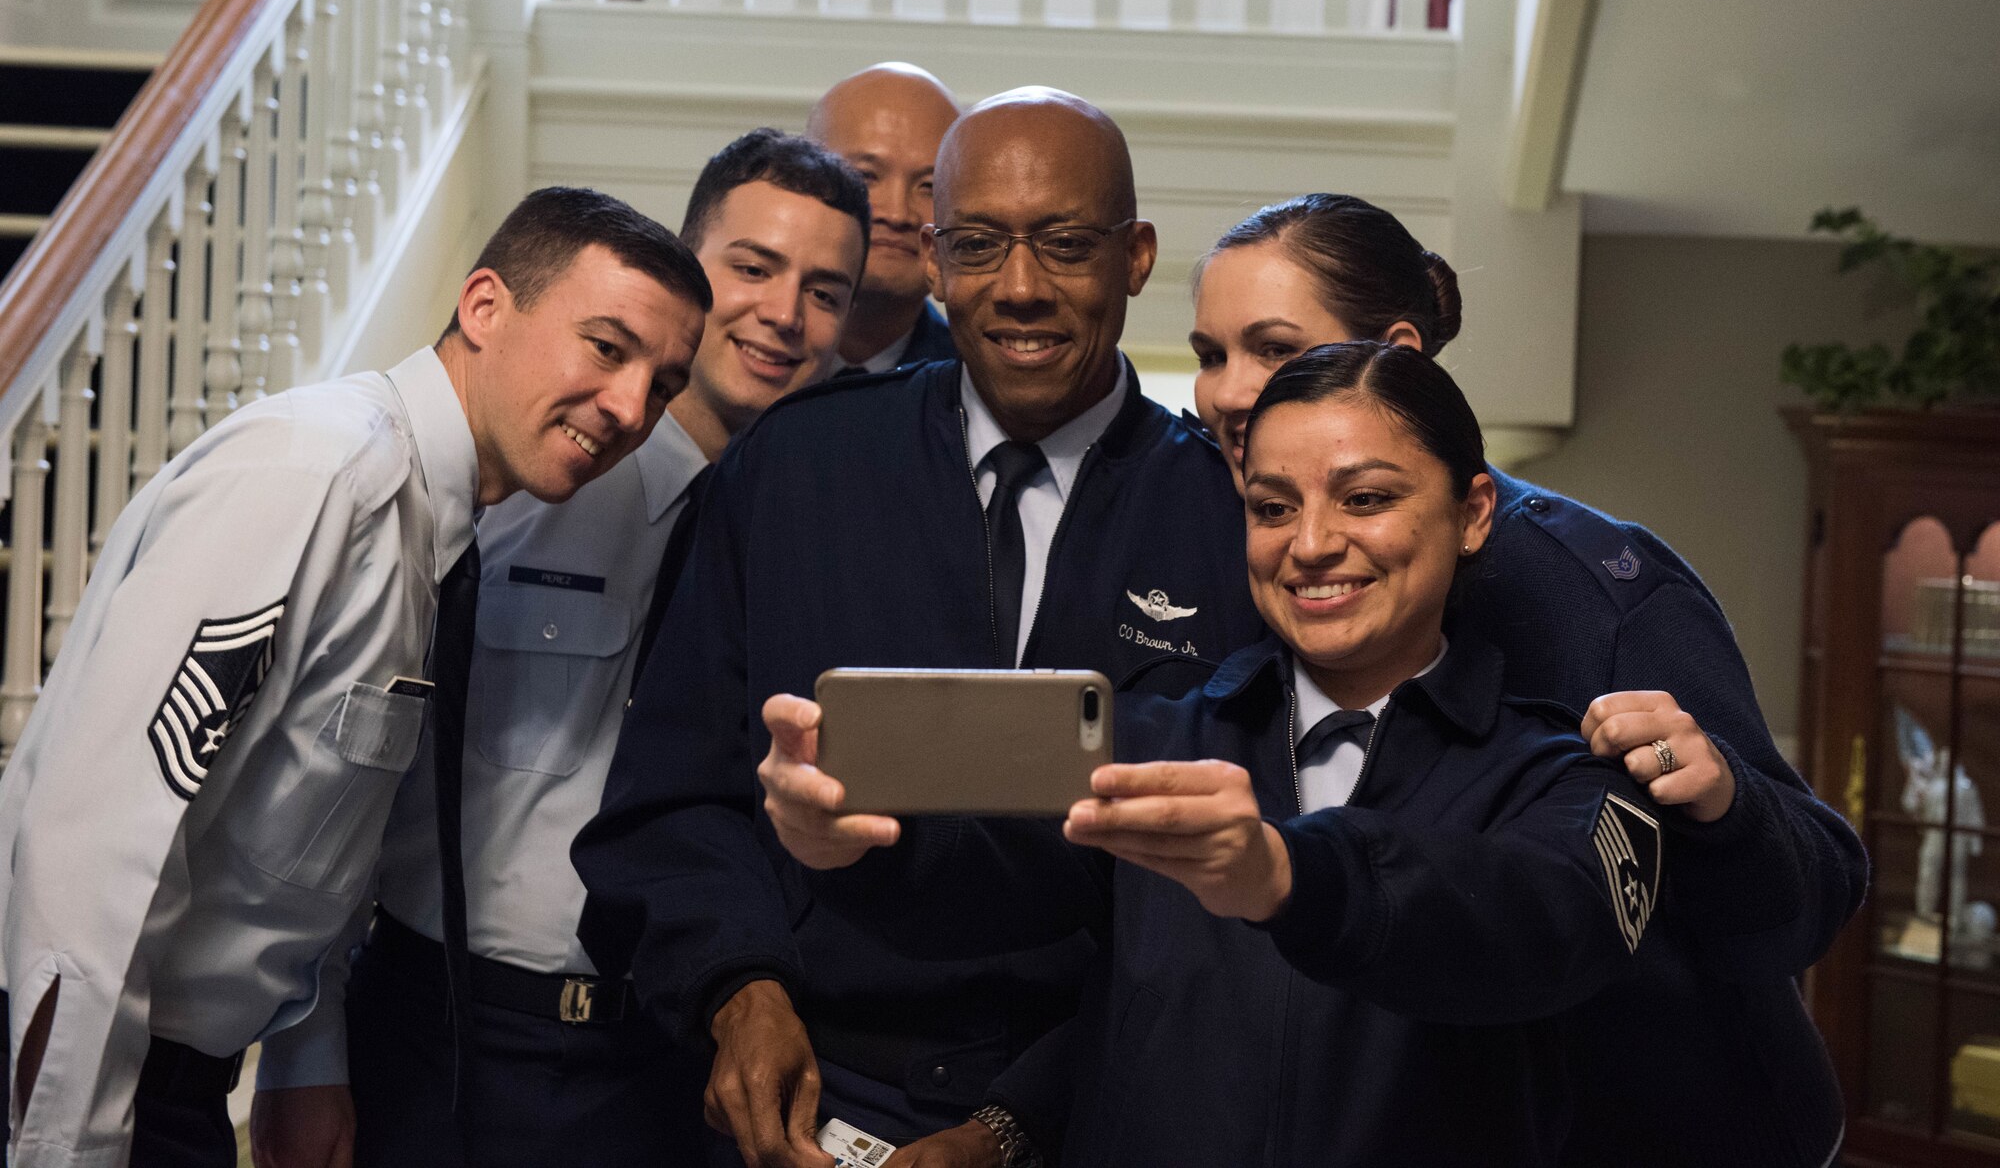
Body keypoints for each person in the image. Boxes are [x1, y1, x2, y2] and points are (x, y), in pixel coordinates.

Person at [573, 88, 1266, 1168]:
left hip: (1092, 1107)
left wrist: (1016, 1123)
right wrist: (735, 990)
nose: (1021, 289)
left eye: (1066, 246)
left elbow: (1226, 897)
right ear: (934, 261)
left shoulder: (1229, 521)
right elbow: (671, 795)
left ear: (1134, 257)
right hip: (796, 1095)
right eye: (978, 245)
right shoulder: (795, 470)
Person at [757, 342, 1661, 1166]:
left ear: (1472, 513)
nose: (1310, 545)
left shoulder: (1563, 778)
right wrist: (848, 839)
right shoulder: (1157, 741)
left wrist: (1287, 870)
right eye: (1273, 506)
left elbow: (1529, 926)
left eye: (1367, 498)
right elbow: (983, 875)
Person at [0, 186, 709, 1168]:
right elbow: (103, 843)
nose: (632, 408)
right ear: (485, 307)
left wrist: (301, 1058)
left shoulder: (432, 528)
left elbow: (312, 834)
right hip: (79, 1078)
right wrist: (66, 1151)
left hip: (183, 1077)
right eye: (605, 347)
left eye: (664, 384)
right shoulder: (318, 472)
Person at [1186, 192, 1866, 1167]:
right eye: (1210, 355)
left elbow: (1810, 894)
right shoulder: (1258, 560)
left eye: (1272, 350)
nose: (1224, 392)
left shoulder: (1603, 592)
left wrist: (1721, 806)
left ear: (1403, 360)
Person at [249, 133, 868, 1168]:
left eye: (824, 291)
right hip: (446, 1033)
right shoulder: (517, 488)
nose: (783, 314)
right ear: (688, 268)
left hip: (679, 1060)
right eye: (751, 268)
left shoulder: (826, 545)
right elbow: (329, 786)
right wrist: (301, 1055)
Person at [807, 63, 960, 374]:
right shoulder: (718, 355)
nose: (897, 214)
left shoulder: (976, 383)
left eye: (928, 186)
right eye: (866, 176)